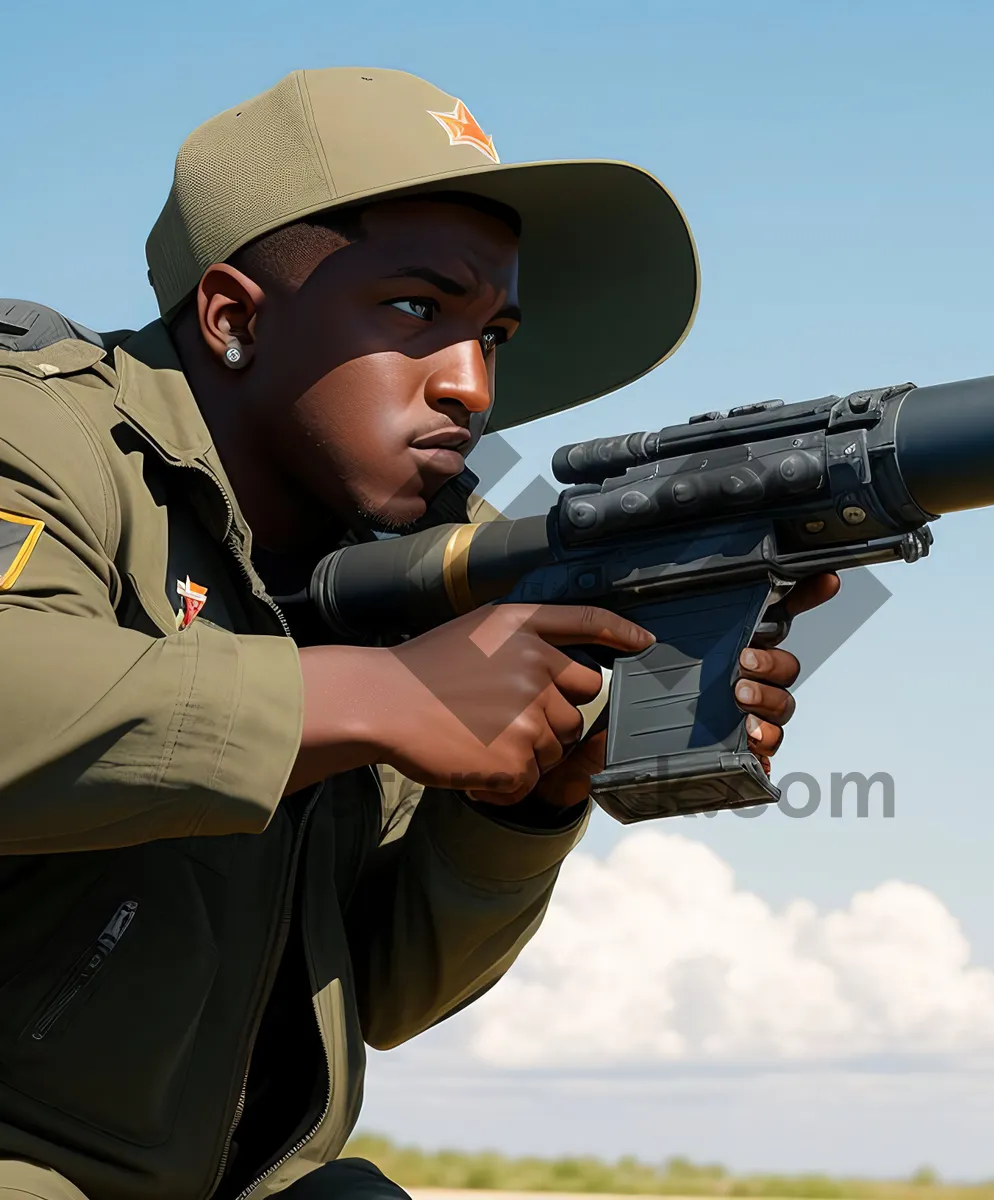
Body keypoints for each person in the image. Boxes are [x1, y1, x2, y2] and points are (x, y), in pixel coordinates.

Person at [0, 68, 837, 1200]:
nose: (472, 387)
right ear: (234, 317)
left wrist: (528, 804)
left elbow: (384, 991)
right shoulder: (40, 431)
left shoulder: (423, 563)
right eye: (415, 312)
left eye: (493, 333)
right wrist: (374, 697)